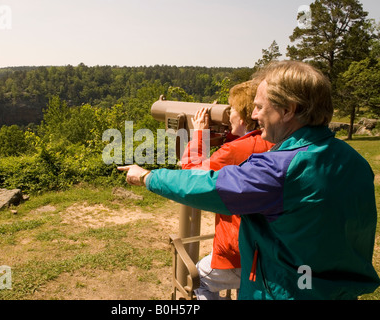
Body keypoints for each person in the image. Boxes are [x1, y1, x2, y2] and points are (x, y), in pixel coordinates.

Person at [118, 60, 380, 300]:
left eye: (259, 107)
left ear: (288, 110)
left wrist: (148, 176)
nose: (253, 116)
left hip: (284, 291)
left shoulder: (281, 169)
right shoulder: (354, 162)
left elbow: (208, 185)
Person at [180, 80, 274, 300]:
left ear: (243, 116)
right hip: (268, 252)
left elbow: (193, 175)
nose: (228, 114)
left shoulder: (235, 150)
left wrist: (199, 135)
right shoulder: (278, 141)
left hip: (239, 254)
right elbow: (246, 144)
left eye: (230, 109)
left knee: (196, 281)